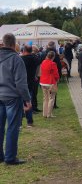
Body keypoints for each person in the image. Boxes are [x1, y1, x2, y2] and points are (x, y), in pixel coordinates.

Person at [0, 33, 32, 165]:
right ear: (14, 44)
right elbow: (21, 83)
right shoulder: (16, 59)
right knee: (13, 127)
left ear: (3, 43)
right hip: (12, 97)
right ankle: (10, 157)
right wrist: (27, 99)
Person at [21, 45, 39, 127]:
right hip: (31, 82)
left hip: (21, 83)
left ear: (24, 50)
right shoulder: (35, 58)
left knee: (20, 103)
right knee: (28, 102)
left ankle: (19, 123)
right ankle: (30, 122)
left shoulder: (21, 59)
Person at [40, 51, 60, 118]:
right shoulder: (53, 63)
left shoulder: (43, 62)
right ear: (53, 57)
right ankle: (49, 114)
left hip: (43, 82)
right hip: (50, 82)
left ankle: (44, 114)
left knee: (45, 98)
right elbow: (56, 74)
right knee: (51, 98)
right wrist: (57, 79)